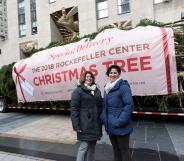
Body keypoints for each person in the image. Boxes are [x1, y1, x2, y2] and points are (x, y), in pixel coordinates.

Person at [100, 65, 134, 161]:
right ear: (108, 74)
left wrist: (120, 121)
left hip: (120, 124)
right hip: (110, 124)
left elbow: (129, 105)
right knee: (115, 149)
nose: (113, 74)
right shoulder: (107, 87)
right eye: (111, 72)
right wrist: (103, 117)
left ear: (119, 74)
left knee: (124, 150)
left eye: (115, 72)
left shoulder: (123, 87)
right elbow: (105, 105)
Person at [70, 71, 102, 161]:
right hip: (85, 124)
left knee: (92, 147)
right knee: (84, 146)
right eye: (87, 76)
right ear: (83, 78)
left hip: (95, 124)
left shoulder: (96, 90)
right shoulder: (78, 91)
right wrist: (76, 125)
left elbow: (100, 105)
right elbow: (74, 109)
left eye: (91, 76)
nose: (89, 78)